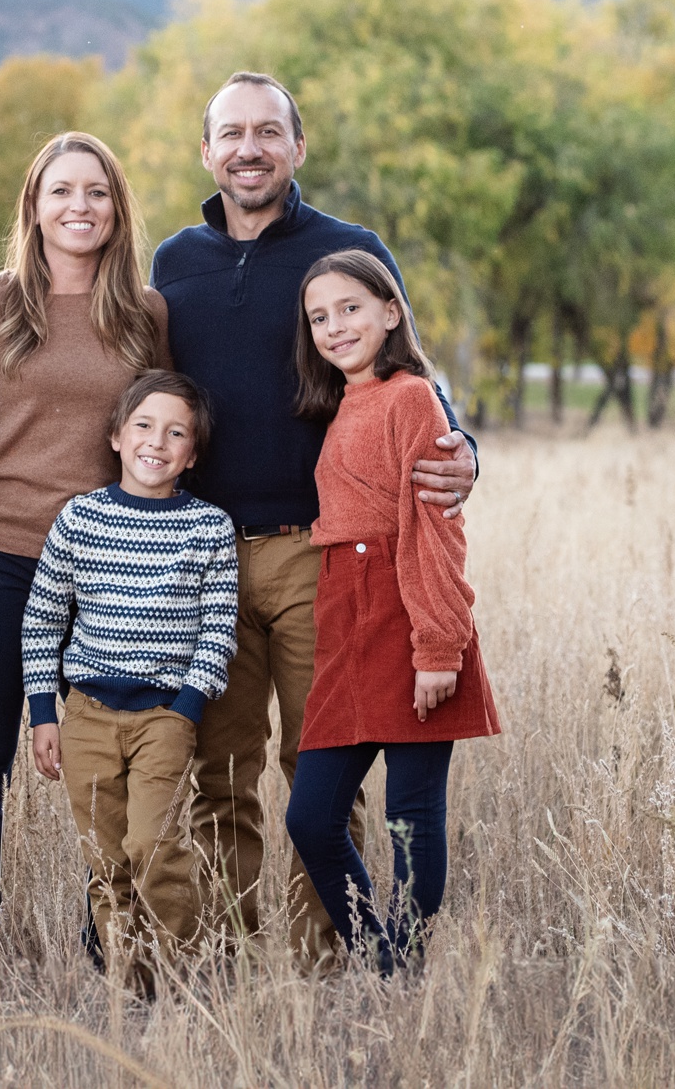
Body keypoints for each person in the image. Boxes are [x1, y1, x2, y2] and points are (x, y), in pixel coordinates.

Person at [150, 71, 478, 957]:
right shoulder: (174, 262)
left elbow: (411, 371)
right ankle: (224, 952)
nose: (248, 148)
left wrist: (465, 449)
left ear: (299, 146)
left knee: (318, 766)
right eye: (231, 133)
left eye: (267, 131)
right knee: (220, 771)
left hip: (319, 554)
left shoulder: (347, 247)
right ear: (207, 150)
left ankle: (324, 960)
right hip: (205, 555)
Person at [0, 133, 168, 953]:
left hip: (106, 562)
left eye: (97, 191)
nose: (80, 206)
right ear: (33, 206)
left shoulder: (146, 312)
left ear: (118, 209)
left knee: (105, 759)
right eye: (61, 191)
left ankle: (107, 938)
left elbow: (163, 431)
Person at [282, 250, 501, 972]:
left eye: (350, 308)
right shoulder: (343, 401)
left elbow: (434, 527)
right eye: (320, 316)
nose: (335, 326)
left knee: (411, 817)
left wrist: (438, 647)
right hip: (347, 617)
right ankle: (382, 954)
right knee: (311, 816)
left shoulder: (412, 395)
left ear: (390, 310)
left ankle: (401, 970)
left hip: (408, 615)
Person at [22, 371, 238, 992]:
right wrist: (44, 712)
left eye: (176, 433)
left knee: (155, 844)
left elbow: (217, 630)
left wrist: (187, 709)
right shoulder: (79, 519)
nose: (156, 442)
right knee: (106, 858)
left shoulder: (208, 528)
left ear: (192, 455)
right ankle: (129, 980)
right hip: (86, 714)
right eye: (143, 425)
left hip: (165, 717)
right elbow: (43, 620)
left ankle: (181, 973)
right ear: (116, 436)